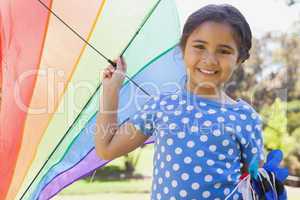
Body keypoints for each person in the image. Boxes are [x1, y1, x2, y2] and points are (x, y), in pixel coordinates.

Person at [95, 4, 265, 200]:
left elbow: (254, 184)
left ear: (240, 58)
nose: (209, 59)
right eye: (199, 46)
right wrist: (110, 90)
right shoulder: (161, 106)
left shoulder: (245, 117)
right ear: (183, 49)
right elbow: (106, 149)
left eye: (224, 51)